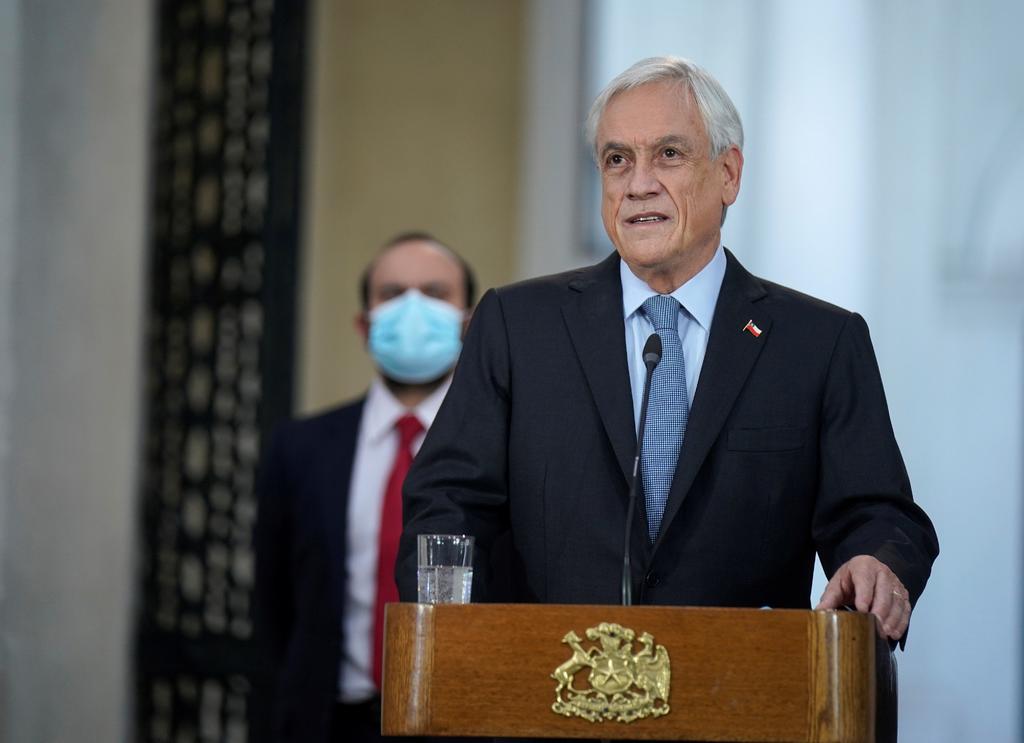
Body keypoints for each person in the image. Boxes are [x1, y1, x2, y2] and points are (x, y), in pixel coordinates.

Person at [396, 57, 938, 644]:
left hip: (740, 683)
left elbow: (877, 514)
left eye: (669, 154)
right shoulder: (518, 326)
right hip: (552, 681)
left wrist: (877, 562)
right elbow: (449, 503)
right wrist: (465, 645)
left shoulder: (818, 342)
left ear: (729, 174)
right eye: (617, 160)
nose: (638, 184)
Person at [254, 232, 476, 743]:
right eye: (392, 293)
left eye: (436, 293)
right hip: (331, 721)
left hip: (460, 722)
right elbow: (274, 602)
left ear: (469, 322)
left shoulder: (506, 448)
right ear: (364, 324)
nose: (413, 308)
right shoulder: (300, 448)